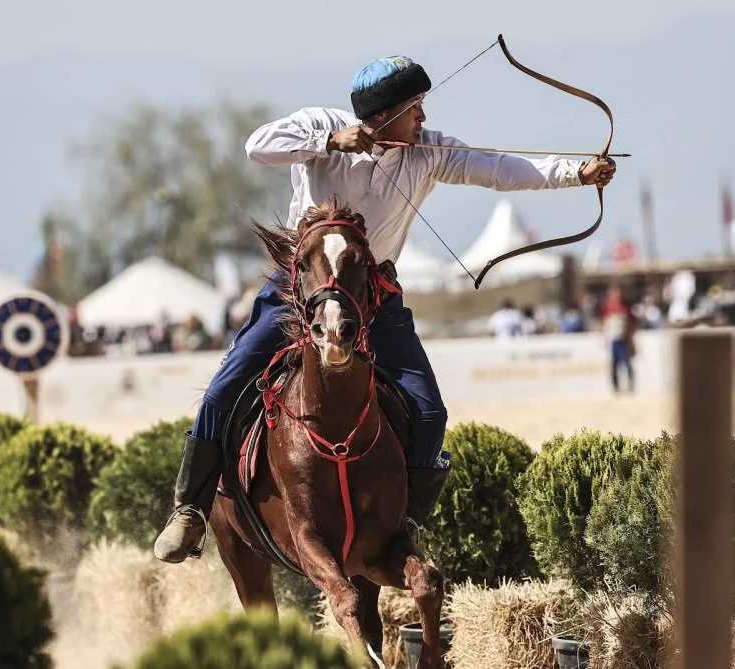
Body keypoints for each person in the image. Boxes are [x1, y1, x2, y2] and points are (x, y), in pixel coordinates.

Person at [153, 54, 617, 563]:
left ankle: (403, 527)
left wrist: (577, 172)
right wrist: (332, 142)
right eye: (415, 107)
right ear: (386, 112)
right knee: (225, 387)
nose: (423, 117)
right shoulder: (322, 127)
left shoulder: (429, 151)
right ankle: (190, 511)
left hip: (374, 296)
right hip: (300, 291)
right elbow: (256, 146)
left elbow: (500, 167)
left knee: (429, 410)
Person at [600, 285, 637, 393]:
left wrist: (632, 337)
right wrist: (602, 336)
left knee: (627, 363)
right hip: (613, 339)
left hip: (623, 338)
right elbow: (603, 322)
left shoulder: (626, 305)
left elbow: (633, 322)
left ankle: (630, 387)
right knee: (614, 365)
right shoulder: (607, 306)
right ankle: (616, 388)